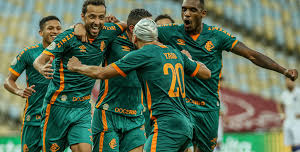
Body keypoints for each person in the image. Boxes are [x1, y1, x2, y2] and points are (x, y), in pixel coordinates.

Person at [157, 0, 298, 152]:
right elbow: (138, 30)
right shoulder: (171, 32)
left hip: (208, 108)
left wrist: (283, 70)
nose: (186, 14)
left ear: (203, 13)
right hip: (182, 105)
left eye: (192, 10)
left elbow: (251, 55)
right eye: (184, 10)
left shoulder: (217, 36)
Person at [67, 18, 211, 152]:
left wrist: (77, 67)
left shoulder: (143, 53)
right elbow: (206, 73)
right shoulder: (175, 52)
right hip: (185, 125)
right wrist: (190, 60)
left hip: (166, 126)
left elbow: (102, 73)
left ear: (135, 37)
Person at [33, 0, 125, 152]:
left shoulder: (108, 31)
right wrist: (41, 68)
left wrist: (114, 20)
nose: (97, 22)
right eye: (92, 17)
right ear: (83, 17)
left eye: (101, 17)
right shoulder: (68, 37)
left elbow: (124, 24)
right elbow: (39, 60)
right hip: (58, 107)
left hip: (82, 107)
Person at [91, 9, 152, 152]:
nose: (151, 29)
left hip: (135, 116)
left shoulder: (151, 46)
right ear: (132, 28)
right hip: (109, 113)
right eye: (147, 25)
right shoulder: (114, 39)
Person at [4, 16, 62, 152]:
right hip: (34, 117)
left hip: (57, 117)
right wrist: (19, 91)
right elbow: (8, 81)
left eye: (58, 28)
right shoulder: (28, 53)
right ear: (40, 33)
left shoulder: (67, 52)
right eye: (50, 28)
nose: (55, 31)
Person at [278, 78, 300, 152]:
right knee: (291, 143)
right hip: (288, 121)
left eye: (290, 80)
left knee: (298, 142)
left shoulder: (298, 92)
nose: (288, 82)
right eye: (286, 80)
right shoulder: (284, 94)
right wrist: (282, 114)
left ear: (294, 81)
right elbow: (280, 104)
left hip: (298, 121)